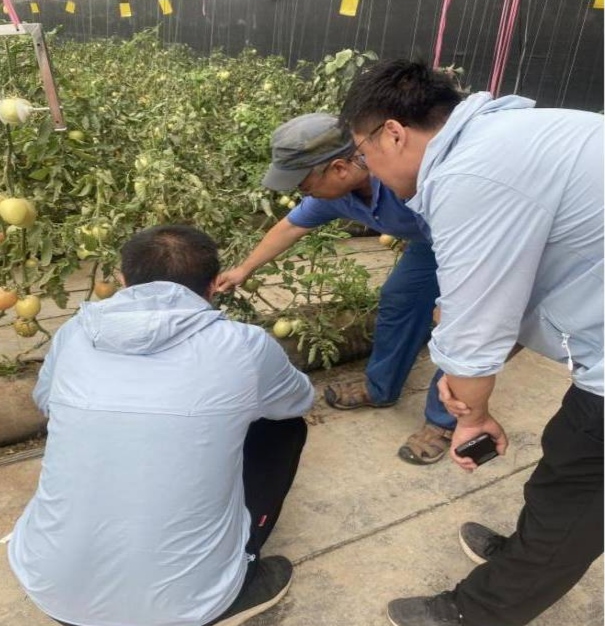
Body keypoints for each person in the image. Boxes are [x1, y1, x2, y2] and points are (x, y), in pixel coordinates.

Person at [340, 59, 603, 626]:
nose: (369, 170)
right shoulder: (509, 137)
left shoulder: (471, 175)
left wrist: (473, 416)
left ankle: (475, 613)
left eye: (363, 153)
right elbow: (502, 295)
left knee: (577, 486)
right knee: (572, 460)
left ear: (393, 133)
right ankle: (524, 553)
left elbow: (474, 333)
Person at [8, 224, 314, 626]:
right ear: (212, 287)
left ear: (122, 280)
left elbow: (46, 401)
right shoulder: (245, 345)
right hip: (184, 608)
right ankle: (240, 579)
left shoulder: (74, 334)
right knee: (283, 426)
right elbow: (298, 400)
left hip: (51, 589)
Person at [217, 112, 456, 465]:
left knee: (459, 326)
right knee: (399, 300)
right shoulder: (334, 194)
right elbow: (290, 226)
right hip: (429, 244)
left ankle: (443, 420)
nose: (302, 193)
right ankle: (380, 387)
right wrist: (243, 269)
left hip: (472, 243)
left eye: (303, 184)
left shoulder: (407, 176)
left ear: (340, 168)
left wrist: (455, 297)